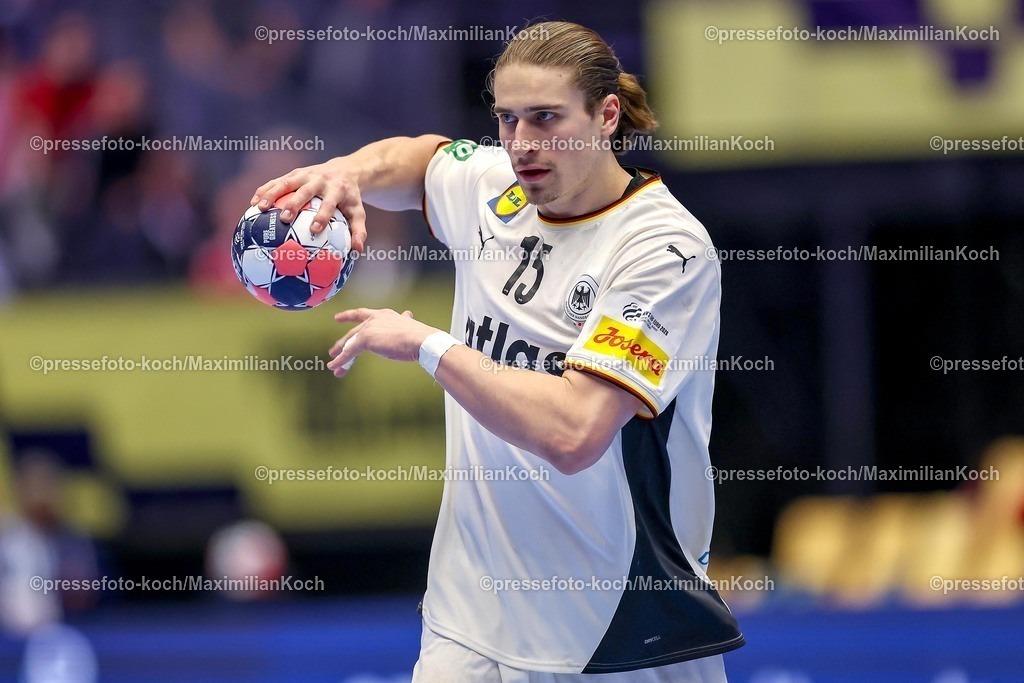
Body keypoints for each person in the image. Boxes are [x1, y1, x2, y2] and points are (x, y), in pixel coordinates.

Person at [251, 21, 743, 682]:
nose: (523, 146)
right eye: (508, 121)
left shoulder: (663, 249)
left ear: (606, 115)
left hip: (617, 634)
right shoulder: (495, 193)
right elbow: (425, 158)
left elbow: (574, 431)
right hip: (471, 623)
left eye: (546, 119)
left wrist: (428, 345)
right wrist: (346, 172)